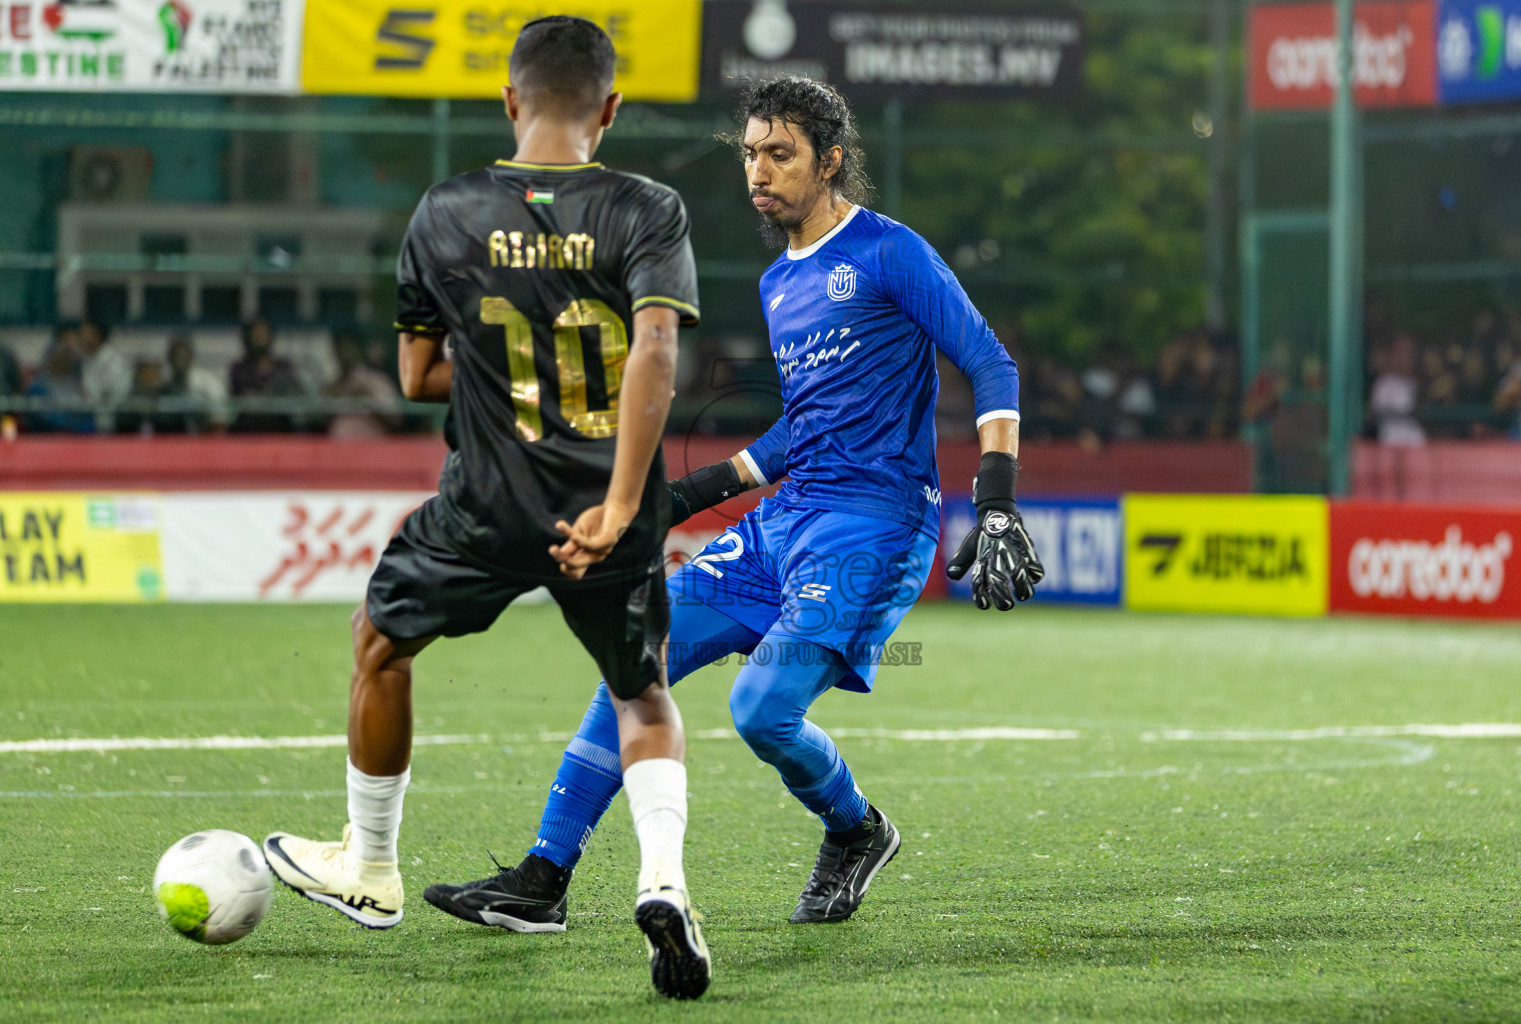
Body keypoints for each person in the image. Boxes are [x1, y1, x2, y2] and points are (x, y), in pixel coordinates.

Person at [424, 76, 1042, 934]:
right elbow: (804, 427)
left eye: (779, 153)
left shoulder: (890, 251)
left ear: (830, 162)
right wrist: (681, 498)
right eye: (750, 152)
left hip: (874, 525)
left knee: (761, 709)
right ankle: (543, 880)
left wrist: (999, 499)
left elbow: (991, 361)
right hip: (784, 522)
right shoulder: (777, 283)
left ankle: (856, 831)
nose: (758, 169)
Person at [261, 16, 711, 1000]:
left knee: (380, 643)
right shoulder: (651, 209)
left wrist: (504, 371)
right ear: (611, 109)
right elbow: (656, 354)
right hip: (611, 510)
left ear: (510, 101)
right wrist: (626, 498)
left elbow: (419, 372)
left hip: (488, 505)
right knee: (643, 697)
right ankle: (664, 881)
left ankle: (370, 868)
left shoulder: (446, 210)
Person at [228, 317, 304, 432]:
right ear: (248, 338)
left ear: (271, 337)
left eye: (263, 334)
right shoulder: (239, 369)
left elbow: (296, 398)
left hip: (281, 431)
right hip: (248, 431)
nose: (260, 338)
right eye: (256, 335)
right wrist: (273, 395)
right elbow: (246, 401)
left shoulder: (283, 367)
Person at [326, 332, 401, 438]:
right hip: (338, 446)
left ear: (358, 348)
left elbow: (395, 419)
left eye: (348, 347)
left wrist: (367, 399)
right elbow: (319, 420)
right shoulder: (332, 384)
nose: (343, 353)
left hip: (372, 445)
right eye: (339, 348)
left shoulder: (378, 380)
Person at [159, 334, 230, 434]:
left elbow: (221, 417)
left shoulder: (208, 383)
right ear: (169, 359)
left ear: (191, 357)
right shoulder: (166, 387)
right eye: (175, 357)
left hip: (207, 436)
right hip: (177, 438)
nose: (179, 361)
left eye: (183, 356)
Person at [78, 320, 131, 432]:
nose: (80, 338)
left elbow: (119, 395)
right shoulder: (87, 358)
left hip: (109, 424)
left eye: (84, 334)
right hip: (89, 421)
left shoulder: (113, 362)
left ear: (96, 335)